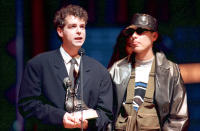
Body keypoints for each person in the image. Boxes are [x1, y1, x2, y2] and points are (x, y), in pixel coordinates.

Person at [18, 4, 113, 131]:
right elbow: (28, 105)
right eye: (73, 26)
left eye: (82, 26)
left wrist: (87, 124)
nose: (79, 31)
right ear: (60, 31)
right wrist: (61, 118)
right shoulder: (38, 64)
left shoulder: (100, 71)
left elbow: (106, 114)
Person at [108, 13, 189, 130]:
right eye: (131, 32)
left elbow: (179, 117)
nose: (134, 36)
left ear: (154, 36)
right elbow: (106, 112)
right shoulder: (117, 69)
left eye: (140, 31)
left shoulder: (170, 71)